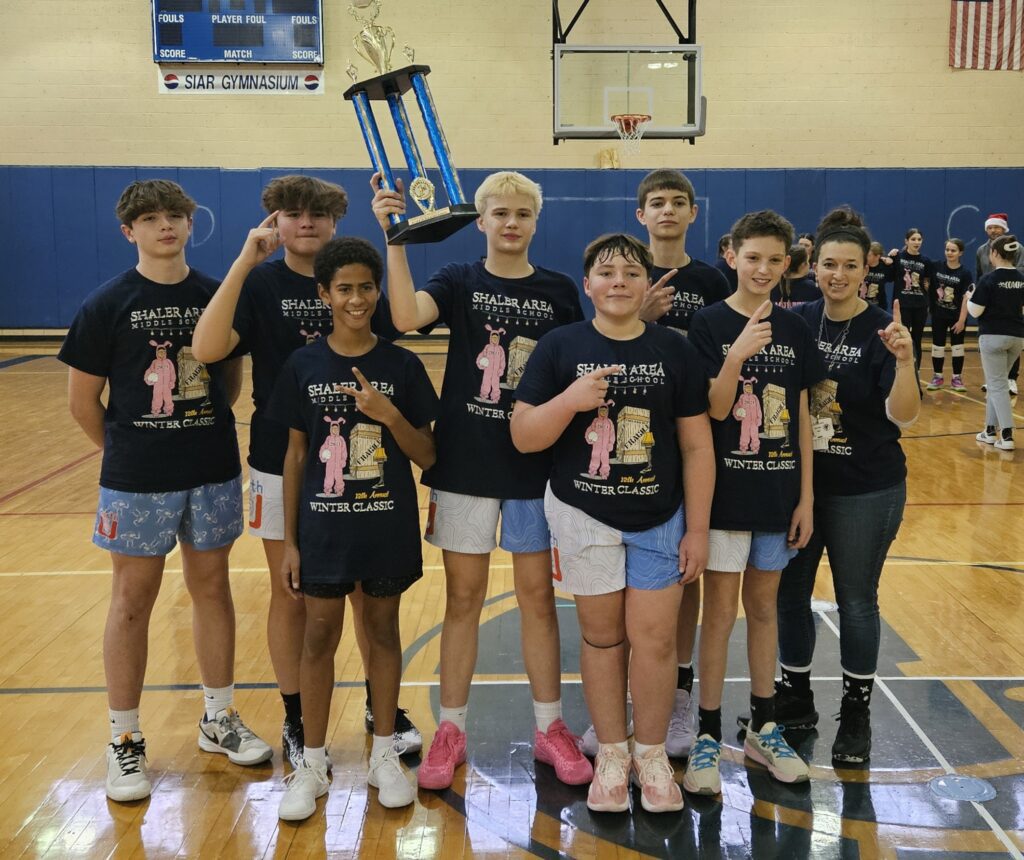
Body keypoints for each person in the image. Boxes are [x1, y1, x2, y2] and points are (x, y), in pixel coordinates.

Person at [191, 175, 420, 769]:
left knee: (373, 597)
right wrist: (243, 262)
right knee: (293, 593)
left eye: (319, 214)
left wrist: (393, 228)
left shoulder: (362, 283)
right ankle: (297, 716)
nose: (307, 223)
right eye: (293, 214)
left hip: (366, 462)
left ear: (337, 224)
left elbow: (409, 324)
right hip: (282, 459)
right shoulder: (261, 283)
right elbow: (209, 349)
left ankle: (382, 707)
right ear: (275, 222)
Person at [374, 170, 593, 790]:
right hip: (465, 465)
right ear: (481, 221)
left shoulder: (556, 291)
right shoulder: (460, 280)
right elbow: (406, 315)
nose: (511, 223)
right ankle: (451, 728)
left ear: (535, 221)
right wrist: (395, 239)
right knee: (463, 601)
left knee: (537, 602)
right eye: (499, 213)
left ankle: (550, 727)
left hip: (533, 468)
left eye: (522, 213)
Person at [58, 179, 271, 803]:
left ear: (189, 222)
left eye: (175, 216)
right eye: (150, 219)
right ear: (130, 232)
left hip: (210, 469)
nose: (166, 227)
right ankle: (124, 741)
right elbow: (81, 403)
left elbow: (228, 385)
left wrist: (186, 436)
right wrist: (131, 452)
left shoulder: (216, 294)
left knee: (212, 589)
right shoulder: (107, 303)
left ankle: (218, 717)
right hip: (136, 480)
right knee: (131, 599)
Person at [510, 233, 714, 813]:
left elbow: (697, 447)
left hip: (660, 518)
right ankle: (613, 754)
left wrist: (696, 529)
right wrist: (569, 401)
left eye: (631, 271)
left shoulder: (674, 350)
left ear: (648, 284)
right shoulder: (558, 346)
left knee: (654, 641)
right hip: (583, 516)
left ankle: (650, 755)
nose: (619, 280)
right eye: (606, 272)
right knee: (602, 640)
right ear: (588, 286)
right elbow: (525, 436)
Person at [270, 237, 438, 819]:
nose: (358, 298)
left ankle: (385, 754)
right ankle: (312, 761)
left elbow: (430, 456)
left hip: (386, 525)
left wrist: (388, 415)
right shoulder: (304, 364)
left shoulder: (401, 364)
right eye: (344, 288)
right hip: (322, 530)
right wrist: (289, 540)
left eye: (367, 287)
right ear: (324, 294)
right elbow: (294, 457)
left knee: (383, 630)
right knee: (318, 636)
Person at [572, 168, 725, 760]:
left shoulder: (712, 280)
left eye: (677, 202)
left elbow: (713, 362)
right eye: (655, 202)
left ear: (692, 212)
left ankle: (674, 695)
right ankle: (619, 709)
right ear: (641, 214)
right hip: (622, 452)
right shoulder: (621, 275)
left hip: (691, 438)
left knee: (678, 587)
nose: (667, 211)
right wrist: (645, 319)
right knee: (610, 607)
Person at [684, 209, 824, 795]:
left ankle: (764, 728)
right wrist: (736, 353)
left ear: (788, 264)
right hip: (723, 499)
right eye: (753, 257)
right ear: (731, 256)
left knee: (763, 607)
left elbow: (801, 419)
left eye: (775, 260)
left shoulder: (796, 330)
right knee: (719, 613)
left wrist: (806, 498)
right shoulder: (709, 324)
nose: (763, 268)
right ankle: (708, 734)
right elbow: (713, 409)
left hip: (778, 495)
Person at [774, 207, 920, 763]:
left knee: (857, 601)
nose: (837, 274)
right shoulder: (794, 320)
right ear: (814, 267)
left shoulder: (886, 329)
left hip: (866, 486)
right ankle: (796, 698)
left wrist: (905, 362)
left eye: (850, 266)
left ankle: (855, 712)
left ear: (868, 269)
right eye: (828, 264)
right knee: (791, 595)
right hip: (798, 487)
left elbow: (903, 417)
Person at [970, 234, 1024, 451]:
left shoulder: (989, 279)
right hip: (1017, 337)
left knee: (997, 385)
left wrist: (969, 297)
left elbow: (975, 311)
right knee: (997, 383)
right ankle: (990, 431)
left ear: (994, 253)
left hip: (993, 336)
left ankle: (1008, 435)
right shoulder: (1021, 278)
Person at [975, 213, 1023, 395]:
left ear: (1004, 228)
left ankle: (1011, 379)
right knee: (988, 340)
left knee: (1011, 336)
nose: (993, 230)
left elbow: (1021, 271)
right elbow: (979, 274)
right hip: (988, 303)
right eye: (990, 227)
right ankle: (992, 378)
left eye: (997, 227)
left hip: (1010, 299)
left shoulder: (1017, 249)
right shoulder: (981, 250)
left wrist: (1002, 281)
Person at [926, 239, 972, 392]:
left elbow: (967, 297)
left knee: (957, 347)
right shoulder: (936, 266)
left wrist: (962, 320)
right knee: (937, 346)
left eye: (953, 250)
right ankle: (937, 376)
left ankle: (956, 378)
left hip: (956, 317)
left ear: (961, 253)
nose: (949, 253)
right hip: (939, 315)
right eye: (947, 249)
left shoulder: (965, 273)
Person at [888, 228, 932, 375]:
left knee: (917, 339)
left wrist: (928, 302)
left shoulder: (925, 261)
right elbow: (888, 276)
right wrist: (888, 258)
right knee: (901, 338)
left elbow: (927, 283)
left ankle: (915, 370)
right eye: (913, 239)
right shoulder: (898, 257)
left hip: (920, 305)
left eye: (919, 239)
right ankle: (900, 368)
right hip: (903, 305)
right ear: (906, 241)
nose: (916, 242)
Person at [863, 242, 893, 311]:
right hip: (861, 304)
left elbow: (893, 278)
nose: (865, 257)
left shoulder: (885, 267)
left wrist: (890, 261)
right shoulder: (862, 266)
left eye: (869, 255)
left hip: (879, 305)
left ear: (877, 256)